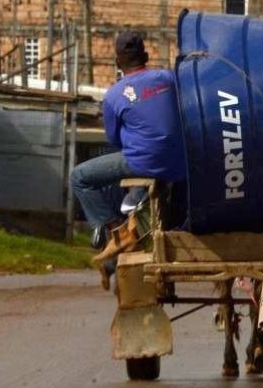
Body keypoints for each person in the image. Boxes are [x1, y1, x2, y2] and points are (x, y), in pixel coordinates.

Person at [70, 31, 187, 283]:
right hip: (180, 162)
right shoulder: (169, 78)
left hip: (141, 162)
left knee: (79, 177)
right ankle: (120, 248)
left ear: (117, 63)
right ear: (146, 56)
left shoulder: (114, 95)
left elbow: (113, 140)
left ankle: (114, 229)